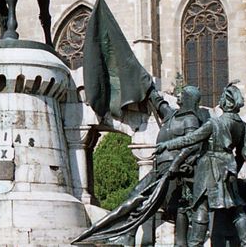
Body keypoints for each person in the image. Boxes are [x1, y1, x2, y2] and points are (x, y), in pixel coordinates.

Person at [74, 85, 206, 246]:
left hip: (174, 171)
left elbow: (192, 145)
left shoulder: (190, 119)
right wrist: (147, 83)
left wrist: (177, 164)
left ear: (189, 99)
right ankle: (125, 235)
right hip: (160, 169)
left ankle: (170, 241)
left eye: (183, 94)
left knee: (163, 204)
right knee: (137, 197)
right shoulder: (171, 115)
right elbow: (158, 102)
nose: (179, 95)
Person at [155, 83, 246, 247]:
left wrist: (167, 145)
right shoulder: (242, 126)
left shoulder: (214, 123)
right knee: (235, 208)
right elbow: (243, 154)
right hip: (228, 167)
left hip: (209, 167)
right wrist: (233, 169)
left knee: (201, 207)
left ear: (225, 102)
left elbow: (190, 139)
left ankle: (195, 244)